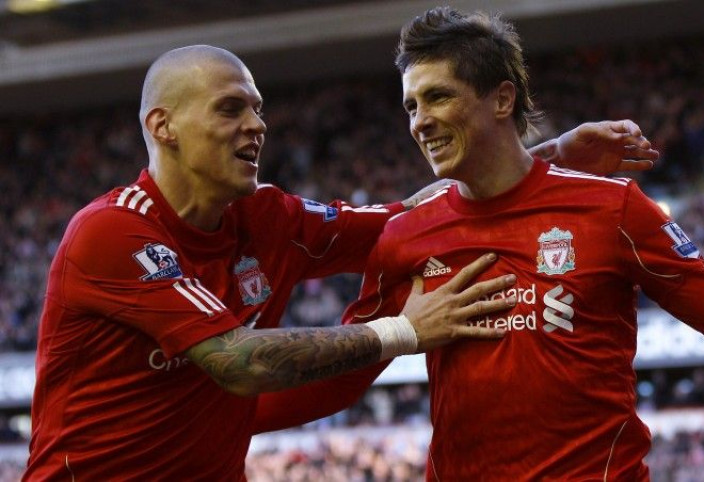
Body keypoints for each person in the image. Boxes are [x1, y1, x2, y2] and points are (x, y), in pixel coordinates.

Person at [22, 44, 656, 480]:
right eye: (230, 108)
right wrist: (405, 331)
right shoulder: (113, 232)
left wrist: (547, 158)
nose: (256, 125)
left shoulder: (269, 218)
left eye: (258, 108)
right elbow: (238, 362)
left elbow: (408, 221)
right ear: (163, 127)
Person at [251, 7, 704, 481]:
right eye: (411, 106)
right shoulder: (406, 236)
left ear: (502, 99)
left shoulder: (612, 208)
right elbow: (340, 378)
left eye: (438, 97)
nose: (420, 122)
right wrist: (213, 421)